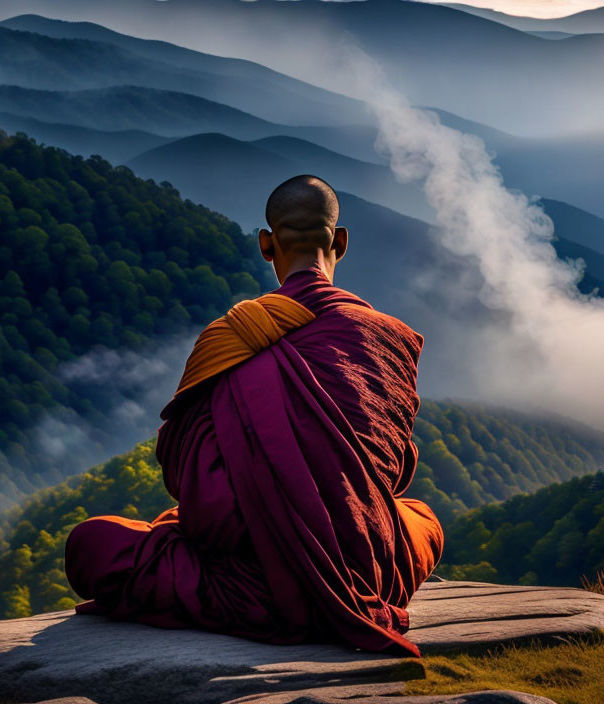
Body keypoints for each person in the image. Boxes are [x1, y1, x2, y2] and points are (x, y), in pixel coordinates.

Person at [65, 175, 443, 655]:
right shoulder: (390, 339)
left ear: (267, 244)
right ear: (341, 242)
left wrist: (264, 498)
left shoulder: (231, 339)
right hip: (361, 567)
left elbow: (186, 480)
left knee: (90, 543)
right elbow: (394, 471)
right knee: (421, 518)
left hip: (249, 579)